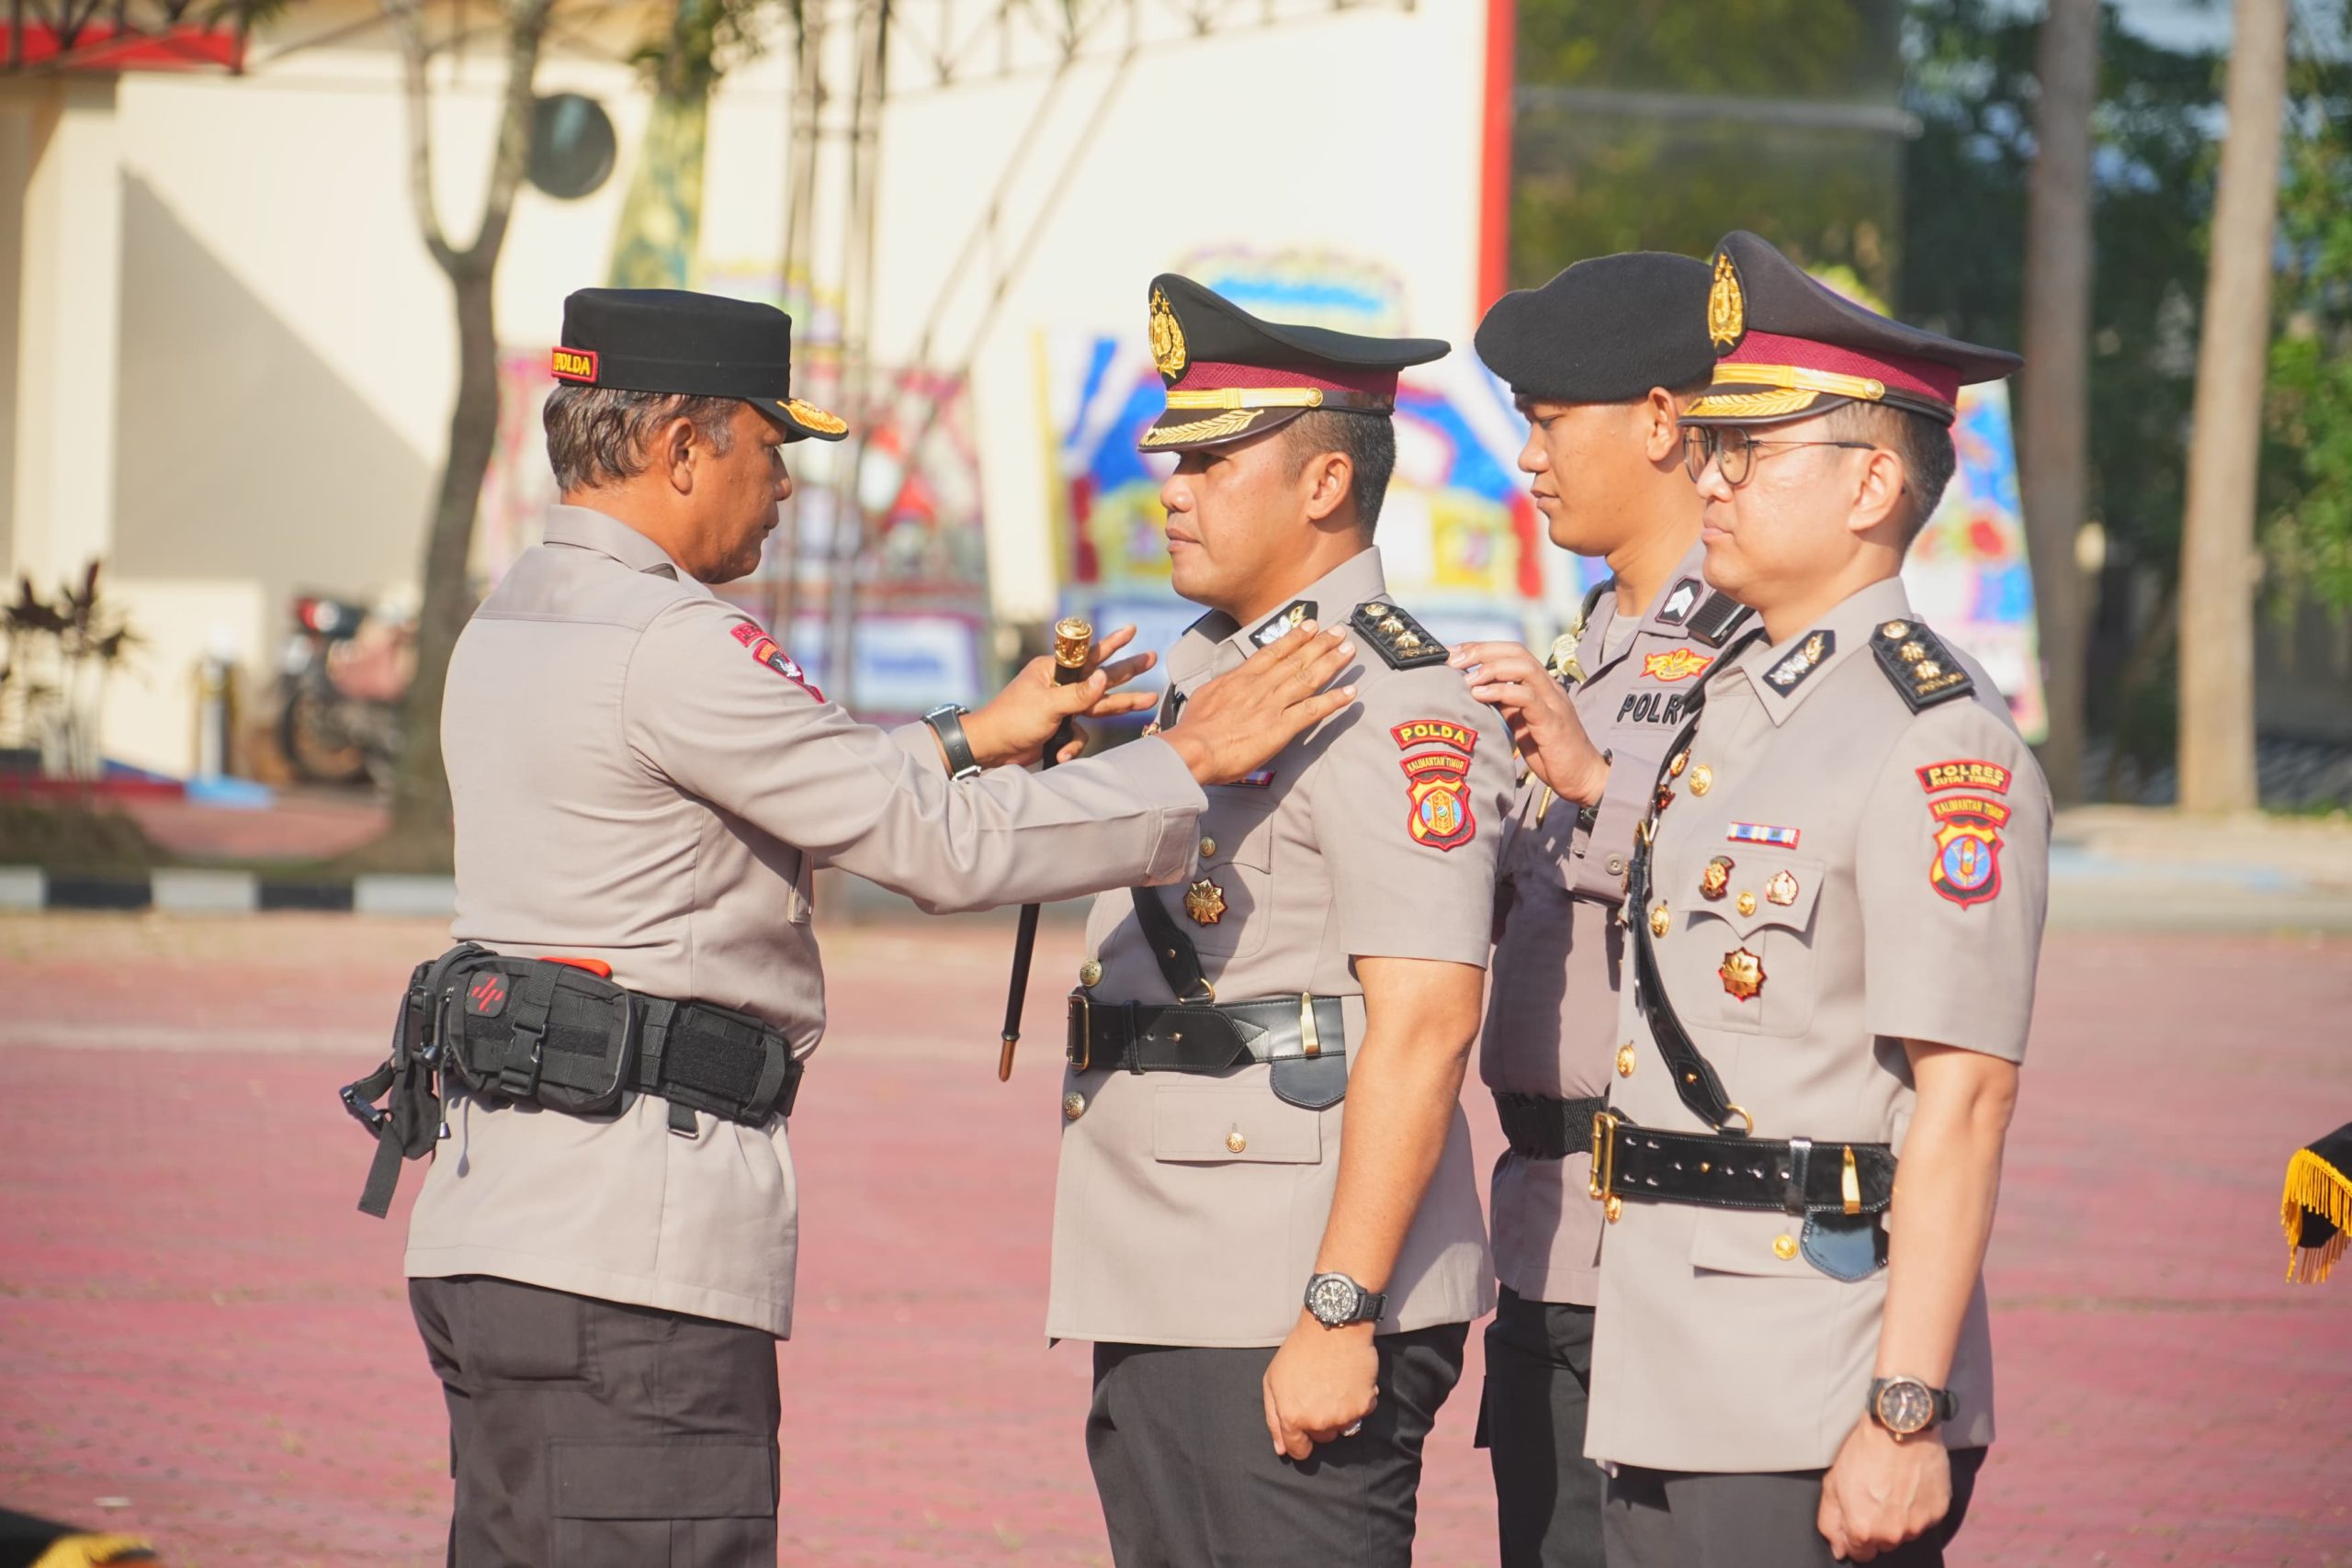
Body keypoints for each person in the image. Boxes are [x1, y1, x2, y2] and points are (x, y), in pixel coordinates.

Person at [345, 287, 1358, 1565]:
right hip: (626, 1260)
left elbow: (773, 784)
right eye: (770, 453)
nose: (781, 492)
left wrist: (969, 737)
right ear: (682, 445)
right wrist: (1184, 761)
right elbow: (933, 847)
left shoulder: (523, 616)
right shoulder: (678, 643)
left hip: (508, 1228)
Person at [1498, 231, 2050, 1566]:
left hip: (1810, 1375)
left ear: (1871, 485)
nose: (1715, 478)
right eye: (1715, 447)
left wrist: (1905, 1415)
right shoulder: (1731, 708)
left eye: (1753, 454)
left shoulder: (1934, 739)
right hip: (1668, 1353)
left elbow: (1962, 1099)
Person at [1048, 274, 1511, 1565]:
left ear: (1323, 485)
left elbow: (1425, 1025)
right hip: (1166, 1269)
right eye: (1170, 460)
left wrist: (1339, 1306)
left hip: (1290, 1288)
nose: (1174, 487)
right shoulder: (1206, 668)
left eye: (1210, 458)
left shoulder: (1390, 699)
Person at [1443, 251, 1750, 1568]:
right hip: (1543, 1233)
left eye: (1554, 421)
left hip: (1663, 1247)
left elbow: (1750, 904)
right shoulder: (1591, 635)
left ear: (1664, 423)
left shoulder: (1747, 647)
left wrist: (1588, 783)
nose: (1530, 457)